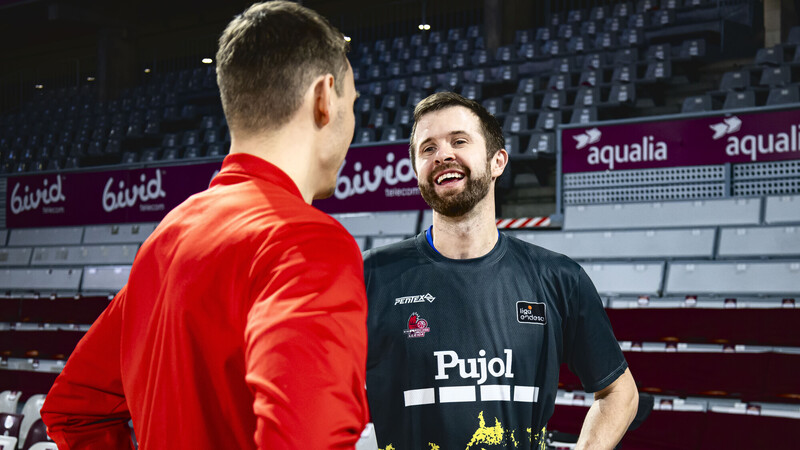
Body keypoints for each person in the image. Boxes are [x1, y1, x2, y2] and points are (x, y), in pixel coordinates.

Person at [41, 2, 368, 448]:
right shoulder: (307, 243)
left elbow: (75, 407)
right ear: (324, 99)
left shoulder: (166, 239)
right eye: (352, 102)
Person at [363, 92, 638, 450]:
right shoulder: (369, 276)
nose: (442, 155)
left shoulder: (558, 278)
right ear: (417, 170)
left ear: (497, 162)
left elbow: (619, 393)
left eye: (459, 141)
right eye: (428, 148)